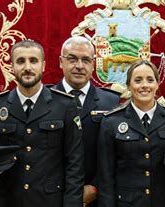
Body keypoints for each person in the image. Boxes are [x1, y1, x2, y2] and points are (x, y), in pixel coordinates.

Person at [0, 40, 84, 207]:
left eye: (33, 61)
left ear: (43, 65)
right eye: (21, 61)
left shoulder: (65, 105)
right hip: (8, 200)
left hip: (50, 201)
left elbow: (75, 162)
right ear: (12, 66)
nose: (27, 67)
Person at [97, 60, 165, 207]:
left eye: (150, 80)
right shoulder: (111, 122)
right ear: (129, 85)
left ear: (157, 84)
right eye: (138, 80)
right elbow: (105, 176)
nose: (144, 85)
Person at [54, 36, 120, 206]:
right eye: (72, 59)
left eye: (85, 60)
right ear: (61, 62)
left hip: (97, 197)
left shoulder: (111, 102)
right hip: (54, 194)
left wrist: (95, 187)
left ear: (93, 64)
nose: (79, 66)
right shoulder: (46, 99)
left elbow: (117, 152)